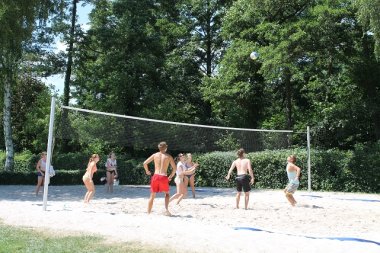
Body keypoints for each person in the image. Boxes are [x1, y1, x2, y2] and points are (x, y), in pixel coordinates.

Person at [143, 141, 176, 216]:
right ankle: (166, 209)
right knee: (167, 194)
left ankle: (148, 212)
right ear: (166, 148)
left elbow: (144, 163)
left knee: (152, 195)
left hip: (156, 176)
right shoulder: (168, 156)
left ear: (159, 148)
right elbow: (174, 168)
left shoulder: (155, 155)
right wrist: (171, 175)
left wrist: (147, 171)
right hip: (163, 176)